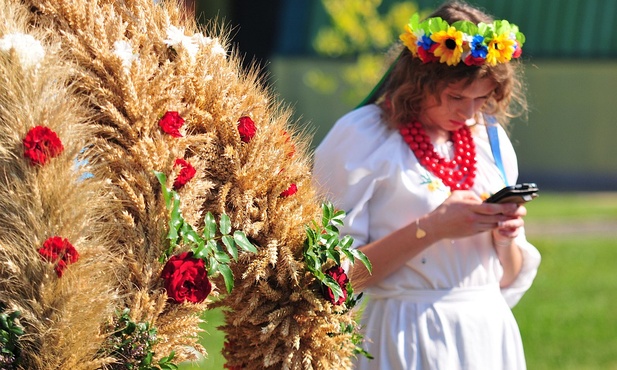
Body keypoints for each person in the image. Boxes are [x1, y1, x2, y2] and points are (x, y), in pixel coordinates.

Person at [312, 1, 541, 369]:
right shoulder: (365, 135)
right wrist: (431, 228)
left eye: (481, 99)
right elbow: (333, 278)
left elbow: (509, 277)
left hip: (488, 333)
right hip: (407, 335)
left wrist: (505, 237)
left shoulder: (489, 139)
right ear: (418, 81)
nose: (468, 114)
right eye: (456, 97)